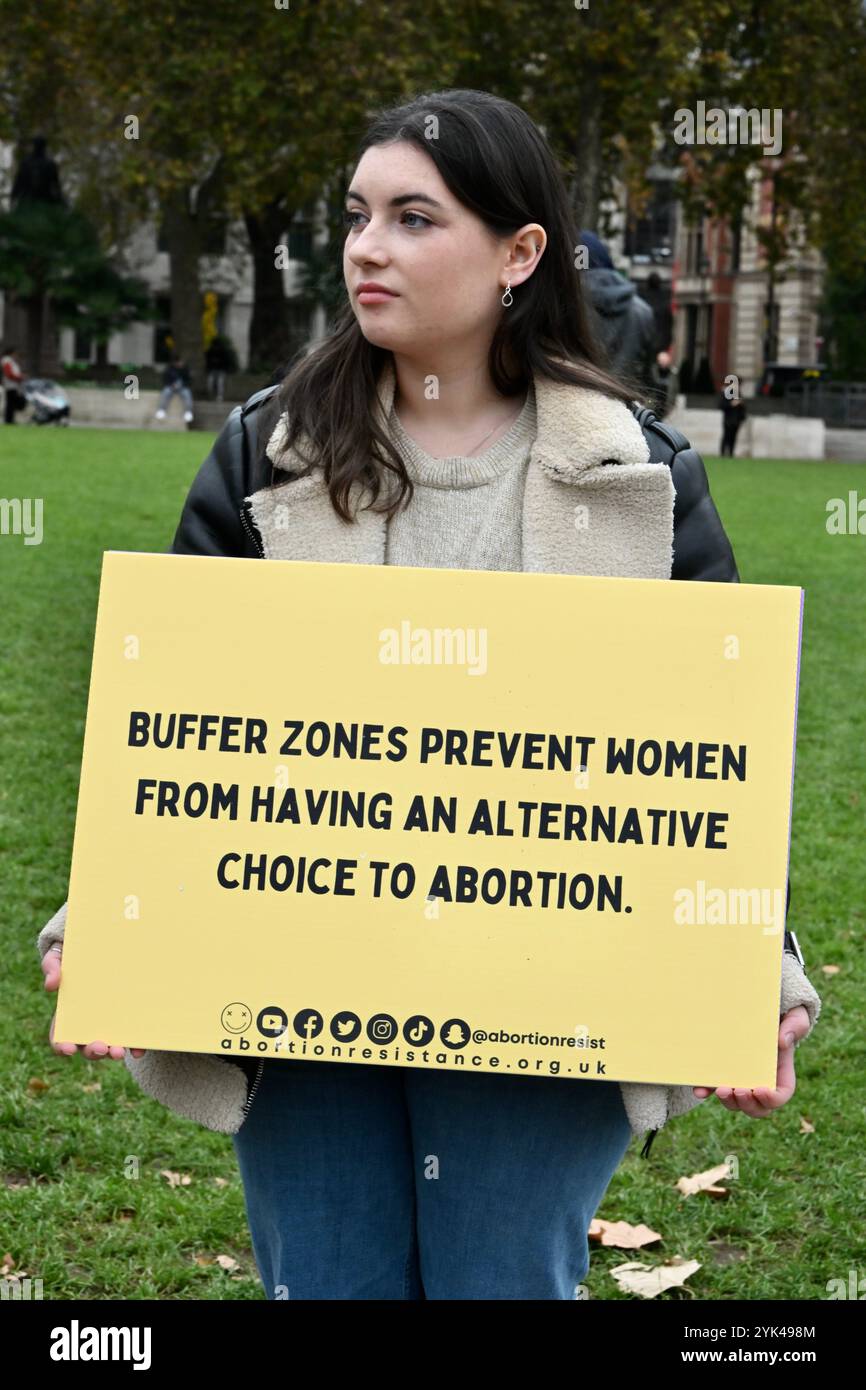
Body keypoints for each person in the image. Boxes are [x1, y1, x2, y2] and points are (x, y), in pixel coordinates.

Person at [37, 88, 822, 1301]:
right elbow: (172, 718)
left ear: (518, 254)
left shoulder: (637, 469)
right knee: (332, 1285)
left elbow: (708, 754)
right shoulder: (268, 446)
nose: (365, 245)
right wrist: (104, 930)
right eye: (357, 215)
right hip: (300, 992)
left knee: (499, 1284)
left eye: (413, 217)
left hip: (548, 994)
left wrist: (749, 973)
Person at [579, 229, 658, 404]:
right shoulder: (642, 311)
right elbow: (648, 375)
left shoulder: (563, 306)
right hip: (625, 413)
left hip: (574, 412)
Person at [154, 355, 194, 423]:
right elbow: (165, 380)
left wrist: (182, 385)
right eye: (180, 362)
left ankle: (188, 412)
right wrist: (172, 385)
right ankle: (161, 410)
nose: (181, 363)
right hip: (171, 387)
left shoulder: (185, 369)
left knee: (187, 394)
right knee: (166, 392)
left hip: (183, 387)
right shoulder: (169, 369)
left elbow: (189, 381)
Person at [1, 344, 28, 424]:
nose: (16, 355)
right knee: (11, 404)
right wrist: (20, 377)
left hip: (13, 385)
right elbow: (9, 374)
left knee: (11, 404)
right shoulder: (7, 361)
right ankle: (9, 420)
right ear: (11, 353)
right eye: (15, 353)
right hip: (11, 385)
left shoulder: (10, 361)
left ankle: (9, 420)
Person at [720, 383, 748, 455]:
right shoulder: (727, 394)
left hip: (736, 420)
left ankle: (731, 454)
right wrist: (732, 403)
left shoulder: (739, 395)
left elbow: (742, 410)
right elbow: (722, 405)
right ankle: (722, 453)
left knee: (733, 438)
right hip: (728, 420)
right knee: (726, 437)